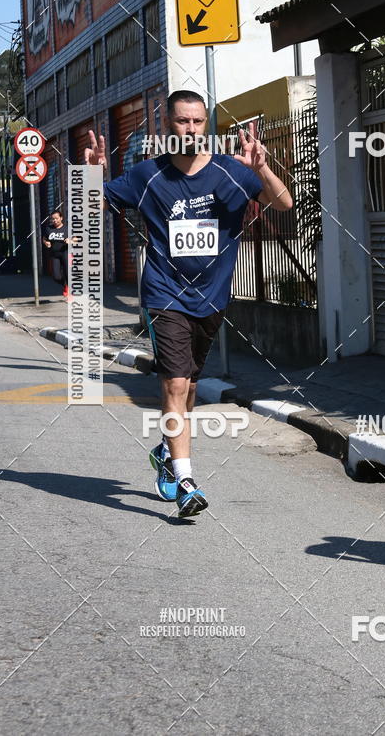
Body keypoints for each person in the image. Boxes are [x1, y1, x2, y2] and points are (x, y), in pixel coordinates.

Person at [85, 90, 293, 518]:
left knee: (191, 386)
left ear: (206, 125)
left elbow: (284, 203)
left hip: (212, 297)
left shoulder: (231, 171)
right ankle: (185, 480)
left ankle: (167, 450)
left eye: (198, 121)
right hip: (164, 294)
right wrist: (90, 175)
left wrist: (262, 169)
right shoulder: (148, 175)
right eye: (183, 121)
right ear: (168, 125)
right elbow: (91, 206)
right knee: (175, 384)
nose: (191, 129)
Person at [42, 210, 70, 298]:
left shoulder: (67, 229)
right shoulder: (49, 228)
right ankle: (65, 285)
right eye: (53, 219)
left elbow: (76, 238)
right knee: (56, 276)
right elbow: (44, 238)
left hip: (65, 253)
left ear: (61, 218)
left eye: (56, 218)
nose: (55, 221)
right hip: (55, 254)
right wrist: (46, 242)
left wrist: (70, 240)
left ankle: (70, 293)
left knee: (68, 274)